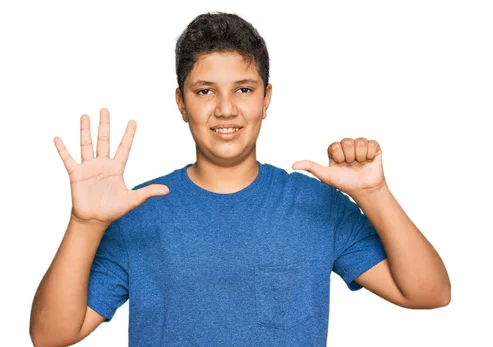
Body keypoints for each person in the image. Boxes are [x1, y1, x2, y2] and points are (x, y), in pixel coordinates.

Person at [29, 11, 451, 346]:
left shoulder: (313, 204)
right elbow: (51, 336)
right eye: (205, 90)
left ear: (267, 98)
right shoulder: (140, 210)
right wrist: (85, 224)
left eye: (244, 90)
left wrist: (374, 193)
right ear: (180, 102)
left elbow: (429, 293)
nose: (226, 109)